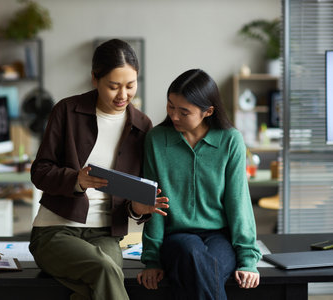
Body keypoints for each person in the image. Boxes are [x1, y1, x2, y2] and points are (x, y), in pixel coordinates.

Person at [29, 39, 169, 300]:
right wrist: (77, 179)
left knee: (100, 282)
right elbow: (39, 171)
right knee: (106, 270)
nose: (123, 95)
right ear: (95, 78)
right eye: (113, 86)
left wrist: (138, 209)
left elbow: (131, 199)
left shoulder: (142, 126)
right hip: (55, 230)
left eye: (130, 86)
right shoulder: (67, 111)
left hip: (106, 234)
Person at [137, 69, 261, 299]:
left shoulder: (230, 140)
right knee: (191, 251)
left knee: (202, 269)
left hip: (219, 238)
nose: (174, 116)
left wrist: (247, 260)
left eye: (184, 112)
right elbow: (153, 204)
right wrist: (152, 259)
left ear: (208, 111)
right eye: (170, 106)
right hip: (177, 239)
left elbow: (238, 202)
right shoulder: (156, 140)